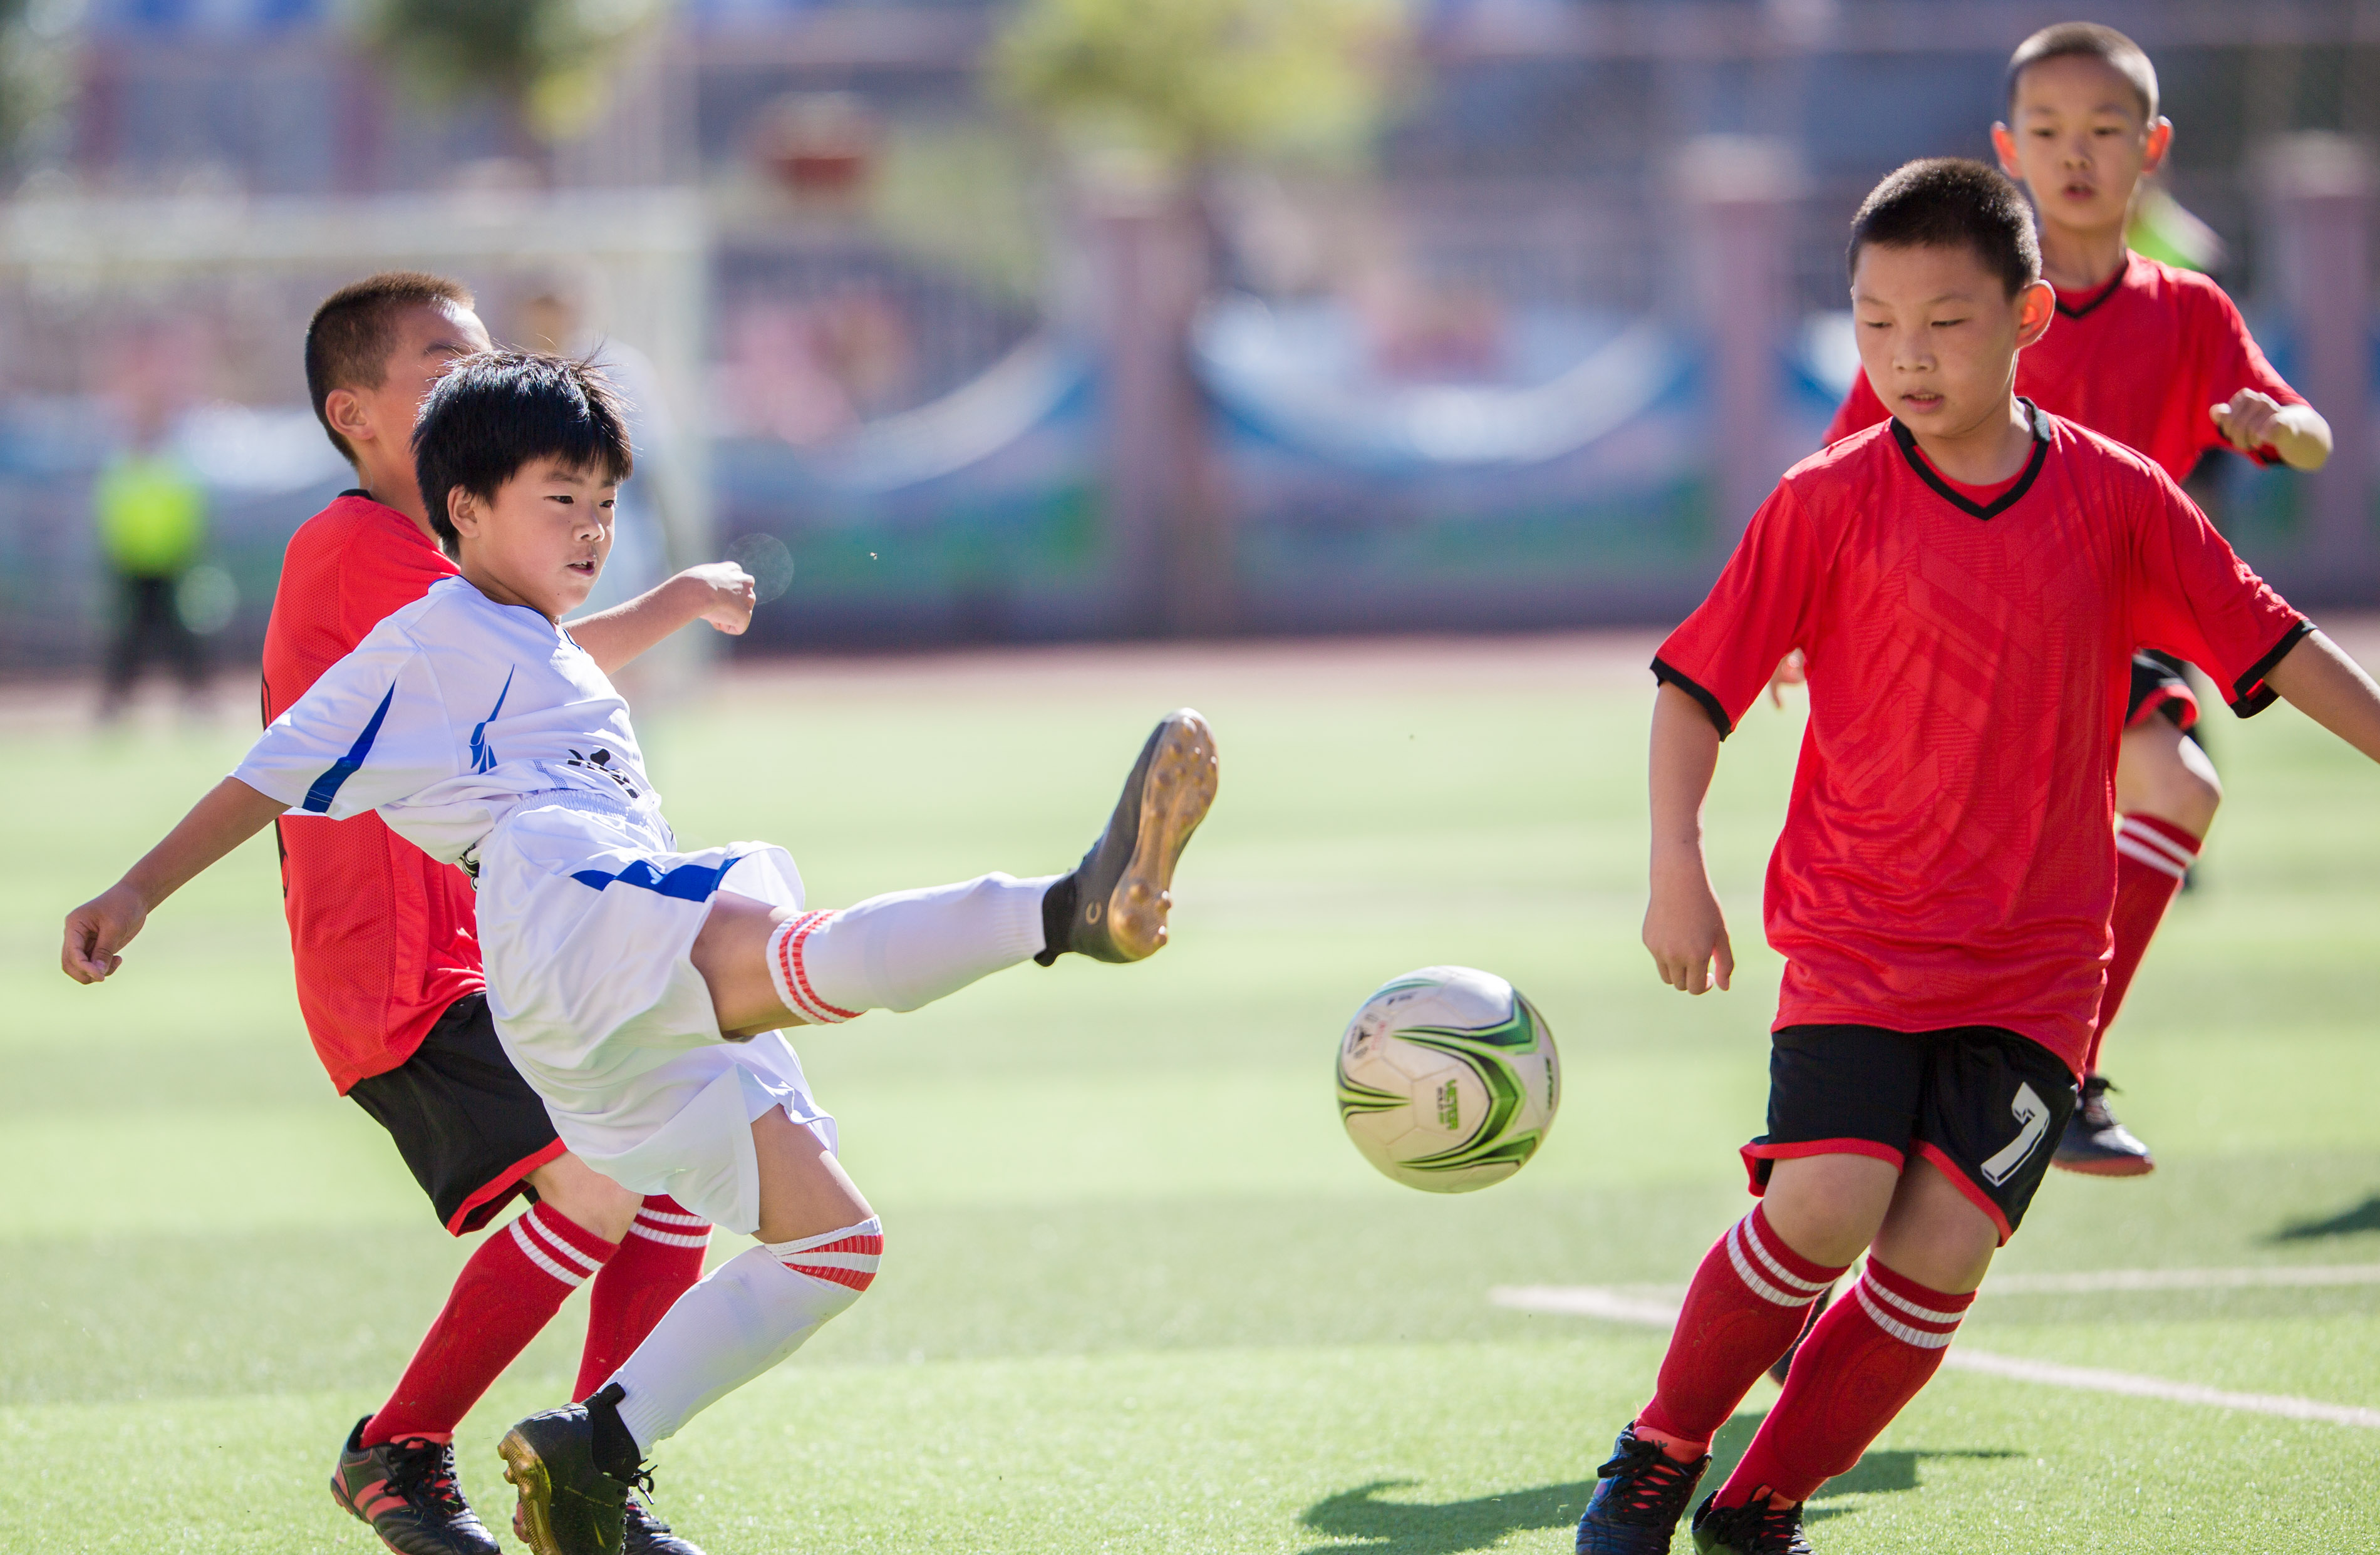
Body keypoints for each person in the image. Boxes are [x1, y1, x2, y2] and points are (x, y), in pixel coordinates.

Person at [61, 350, 1220, 1555]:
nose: (590, 526)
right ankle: (1063, 910)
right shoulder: (421, 639)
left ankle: (596, 1457)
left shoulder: (547, 645)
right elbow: (270, 772)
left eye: (604, 502)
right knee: (787, 956)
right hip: (564, 908)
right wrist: (133, 892)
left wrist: (675, 598)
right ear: (465, 509)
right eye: (559, 500)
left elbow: (566, 649)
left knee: (834, 1241)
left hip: (601, 993)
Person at [1571, 160, 2380, 1555]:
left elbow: (2275, 640)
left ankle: (1760, 1505)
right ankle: (1659, 1449)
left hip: (2038, 963)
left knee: (1939, 1246)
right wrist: (1675, 864)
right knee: (1823, 1200)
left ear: (2028, 316)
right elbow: (1691, 687)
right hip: (1858, 934)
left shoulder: (2118, 497)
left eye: (1943, 320)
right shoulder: (1821, 499)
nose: (1904, 354)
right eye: (1874, 322)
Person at [273, 272, 762, 1555]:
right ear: (355, 413)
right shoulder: (359, 548)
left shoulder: (453, 557)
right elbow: (537, 665)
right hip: (406, 970)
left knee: (665, 1153)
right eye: (442, 364)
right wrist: (681, 599)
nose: (473, 379)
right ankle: (406, 1446)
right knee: (614, 1167)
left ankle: (593, 1460)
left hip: (503, 946)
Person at [1818, 23, 2334, 1176]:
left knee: (2179, 781)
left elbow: (2309, 431)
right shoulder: (1967, 300)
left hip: (2109, 622)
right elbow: (1846, 459)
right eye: (2048, 132)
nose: (2076, 155)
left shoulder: (2190, 312)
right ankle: (1896, 1102)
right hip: (1959, 634)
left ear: (2151, 147)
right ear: (2008, 149)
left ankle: (2063, 1071)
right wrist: (1816, 616)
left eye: (2105, 130)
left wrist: (2276, 427)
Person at [95, 401, 211, 720]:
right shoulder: (125, 470)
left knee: (175, 635)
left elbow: (188, 516)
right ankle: (116, 701)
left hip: (169, 567)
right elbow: (112, 517)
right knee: (131, 637)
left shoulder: (170, 469)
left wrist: (183, 554)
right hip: (133, 568)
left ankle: (195, 696)